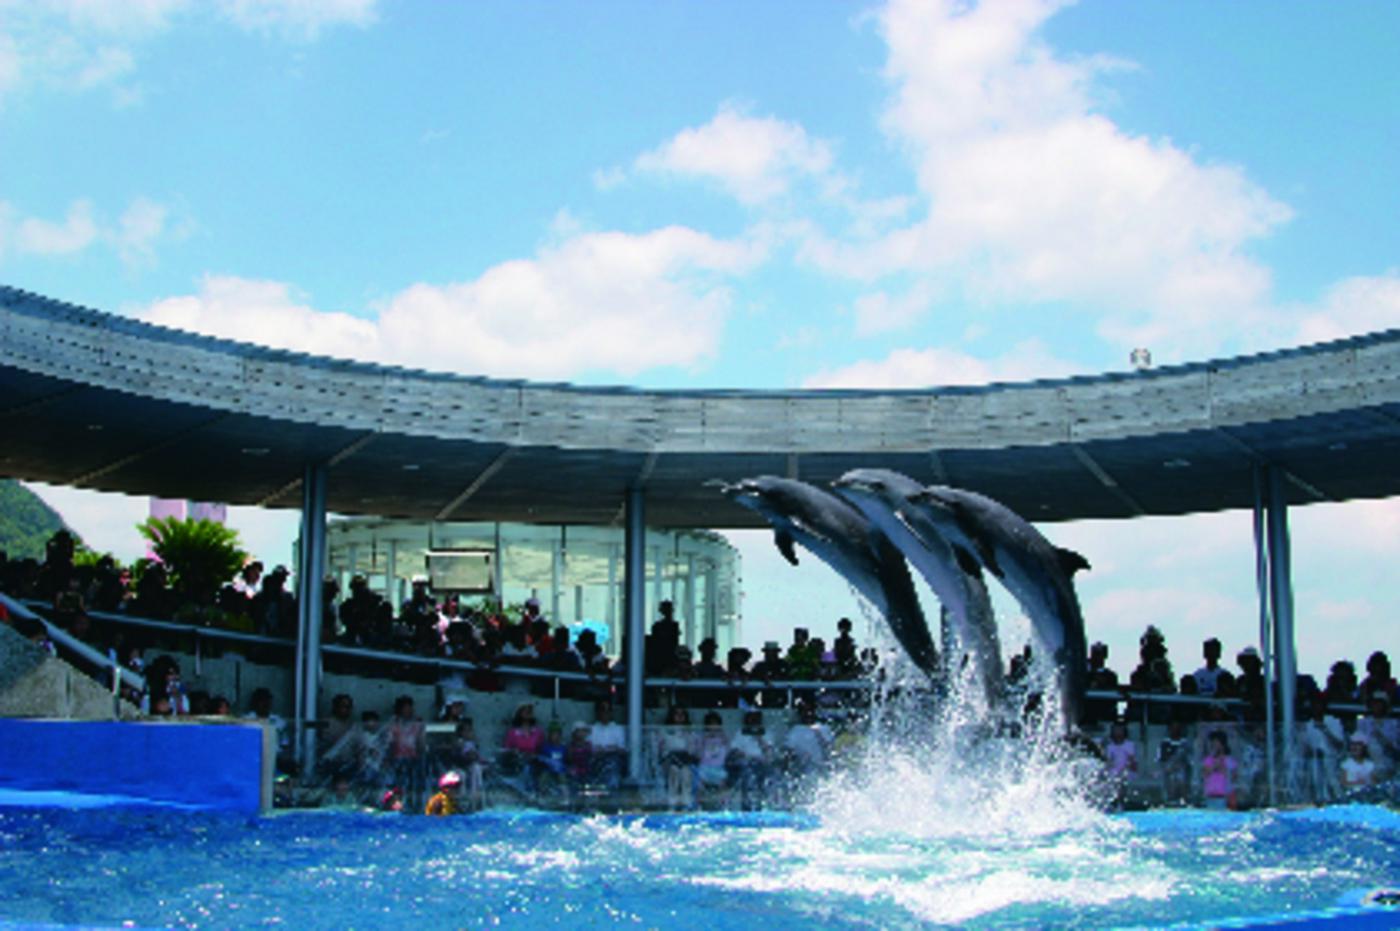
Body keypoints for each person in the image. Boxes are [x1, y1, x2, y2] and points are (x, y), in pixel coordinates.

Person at [726, 710, 772, 810]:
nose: (753, 721)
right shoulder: (741, 733)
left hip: (762, 764)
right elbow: (734, 751)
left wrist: (759, 738)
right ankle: (746, 804)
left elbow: (769, 753)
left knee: (768, 774)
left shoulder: (766, 733)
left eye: (756, 718)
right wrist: (746, 755)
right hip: (745, 763)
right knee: (747, 771)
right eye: (751, 718)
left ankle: (763, 804)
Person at [386, 695, 426, 809]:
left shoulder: (417, 724)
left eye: (410, 707)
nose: (409, 710)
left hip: (413, 760)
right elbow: (390, 744)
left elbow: (421, 745)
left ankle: (416, 805)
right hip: (397, 760)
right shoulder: (393, 724)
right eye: (406, 708)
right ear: (399, 709)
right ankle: (398, 804)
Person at [657, 705, 697, 810]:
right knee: (674, 771)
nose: (679, 716)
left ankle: (686, 804)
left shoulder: (690, 732)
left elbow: (693, 752)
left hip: (685, 762)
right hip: (669, 762)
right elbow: (662, 751)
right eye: (677, 714)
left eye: (682, 714)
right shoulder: (664, 731)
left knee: (686, 773)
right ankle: (672, 805)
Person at [587, 701, 627, 791]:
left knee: (612, 763)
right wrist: (596, 750)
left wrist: (615, 748)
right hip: (597, 759)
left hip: (613, 759)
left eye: (608, 710)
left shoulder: (617, 729)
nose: (605, 713)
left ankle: (611, 790)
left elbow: (623, 749)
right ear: (598, 712)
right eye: (603, 710)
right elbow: (587, 748)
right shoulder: (592, 729)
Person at [1101, 720, 1137, 809]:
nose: (1118, 732)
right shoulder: (1110, 747)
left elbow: (1133, 763)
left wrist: (1125, 769)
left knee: (1121, 778)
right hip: (1114, 772)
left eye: (1120, 730)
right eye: (1116, 730)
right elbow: (1109, 762)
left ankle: (1121, 802)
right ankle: (1112, 803)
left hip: (1128, 771)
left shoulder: (1130, 745)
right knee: (1111, 778)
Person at [695, 711, 730, 801]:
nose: (713, 727)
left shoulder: (723, 737)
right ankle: (698, 806)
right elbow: (698, 754)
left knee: (724, 785)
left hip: (719, 768)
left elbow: (728, 752)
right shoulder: (701, 737)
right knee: (699, 784)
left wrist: (723, 739)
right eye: (711, 724)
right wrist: (704, 740)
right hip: (704, 768)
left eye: (716, 724)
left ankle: (724, 806)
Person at [1157, 718, 1192, 806]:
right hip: (1168, 771)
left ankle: (1183, 799)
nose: (1175, 729)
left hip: (1183, 771)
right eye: (1173, 727)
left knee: (1181, 773)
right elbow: (1161, 759)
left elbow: (1189, 760)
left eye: (1177, 727)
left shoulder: (1185, 743)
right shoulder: (1164, 743)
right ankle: (1170, 799)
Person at [1201, 730, 1238, 810]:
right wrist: (1214, 766)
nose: (1214, 746)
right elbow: (1205, 774)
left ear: (1222, 744)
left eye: (1216, 743)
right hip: (1210, 796)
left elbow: (1234, 778)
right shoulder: (1208, 760)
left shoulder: (1230, 760)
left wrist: (1223, 769)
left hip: (1224, 797)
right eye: (1213, 743)